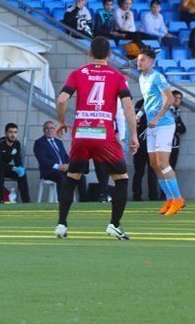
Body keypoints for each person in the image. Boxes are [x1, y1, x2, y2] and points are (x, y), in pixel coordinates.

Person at [54, 36, 138, 239]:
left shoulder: (77, 74)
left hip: (81, 132)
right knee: (121, 179)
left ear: (89, 53)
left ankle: (61, 224)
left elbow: (61, 99)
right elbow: (127, 106)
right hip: (103, 133)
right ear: (109, 54)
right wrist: (133, 134)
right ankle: (114, 225)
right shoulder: (117, 76)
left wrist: (62, 121)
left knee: (72, 177)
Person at [137, 45, 184, 216]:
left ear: (151, 62)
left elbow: (170, 99)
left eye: (142, 59)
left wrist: (156, 118)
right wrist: (140, 114)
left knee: (163, 163)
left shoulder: (157, 77)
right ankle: (170, 199)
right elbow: (147, 99)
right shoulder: (142, 78)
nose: (139, 62)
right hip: (152, 126)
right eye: (138, 59)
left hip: (163, 124)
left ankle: (178, 199)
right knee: (154, 164)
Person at [34, 120, 79, 190]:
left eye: (51, 128)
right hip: (49, 172)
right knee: (61, 177)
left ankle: (83, 200)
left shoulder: (59, 142)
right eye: (47, 128)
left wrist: (68, 165)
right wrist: (58, 167)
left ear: (55, 130)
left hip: (63, 170)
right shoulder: (39, 143)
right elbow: (43, 160)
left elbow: (65, 156)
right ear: (43, 130)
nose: (49, 130)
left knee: (80, 177)